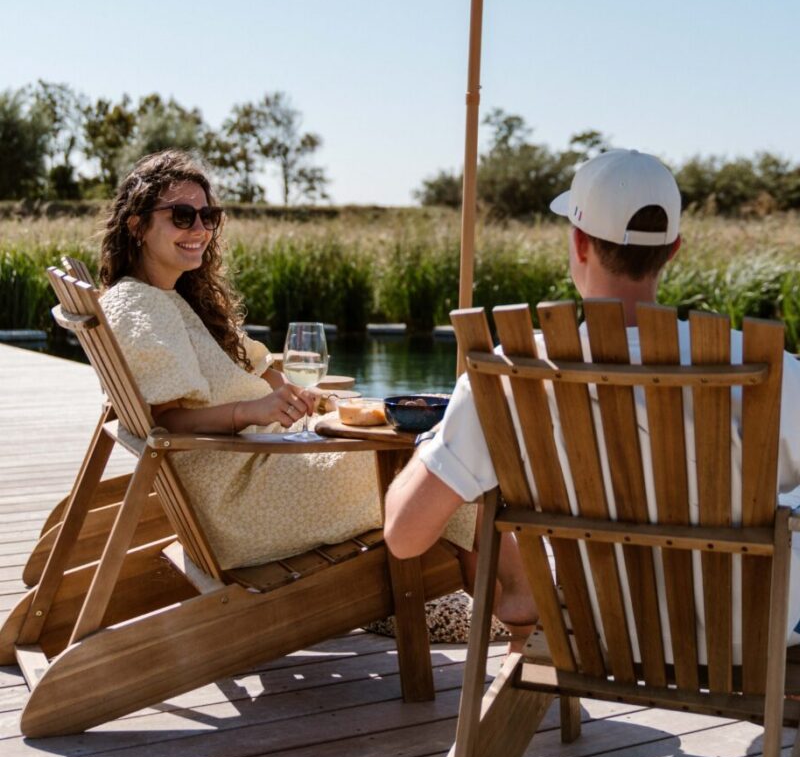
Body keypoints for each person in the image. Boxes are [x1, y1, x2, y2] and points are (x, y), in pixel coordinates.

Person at [385, 148, 800, 656]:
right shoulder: (761, 369)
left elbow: (404, 536)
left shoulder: (511, 372)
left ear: (579, 243)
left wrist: (433, 439)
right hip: (747, 638)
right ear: (673, 250)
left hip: (590, 625)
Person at [99, 149, 473, 571]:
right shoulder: (137, 306)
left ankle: (505, 597)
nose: (200, 228)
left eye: (209, 216)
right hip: (245, 503)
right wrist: (250, 410)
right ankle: (517, 601)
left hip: (265, 466)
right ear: (137, 225)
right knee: (438, 456)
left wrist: (287, 398)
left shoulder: (170, 298)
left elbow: (250, 377)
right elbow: (164, 421)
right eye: (182, 216)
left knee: (442, 435)